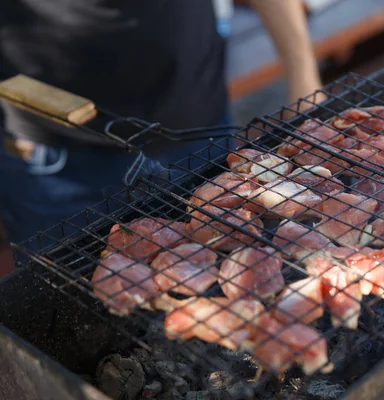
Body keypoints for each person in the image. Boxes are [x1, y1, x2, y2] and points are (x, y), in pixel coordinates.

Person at [0, 0, 323, 245]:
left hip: (201, 126)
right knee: (69, 309)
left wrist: (303, 79)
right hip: (56, 155)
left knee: (230, 268)